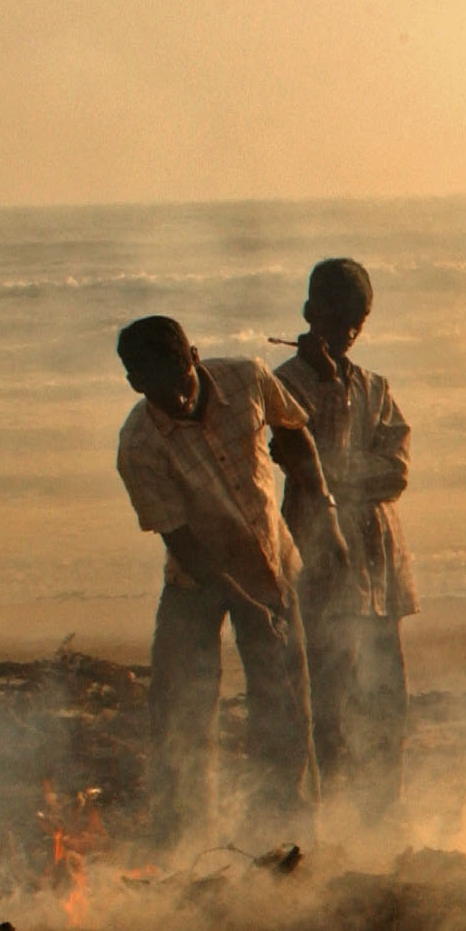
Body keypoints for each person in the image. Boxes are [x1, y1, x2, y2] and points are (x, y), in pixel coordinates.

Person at [113, 314, 338, 844]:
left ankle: (289, 837)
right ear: (135, 385)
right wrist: (246, 603)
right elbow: (185, 546)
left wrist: (323, 502)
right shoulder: (139, 446)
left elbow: (294, 429)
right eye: (162, 395)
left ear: (194, 356)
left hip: (270, 562)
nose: (179, 401)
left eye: (183, 384)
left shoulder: (248, 378)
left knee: (285, 703)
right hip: (196, 579)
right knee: (180, 711)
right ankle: (182, 842)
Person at [272, 258, 416, 821]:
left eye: (359, 321)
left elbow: (397, 472)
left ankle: (382, 813)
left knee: (385, 695)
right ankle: (328, 814)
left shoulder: (377, 387)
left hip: (380, 562)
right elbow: (289, 460)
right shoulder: (284, 385)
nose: (349, 332)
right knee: (327, 693)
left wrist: (328, 471)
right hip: (320, 557)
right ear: (310, 313)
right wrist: (347, 472)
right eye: (337, 318)